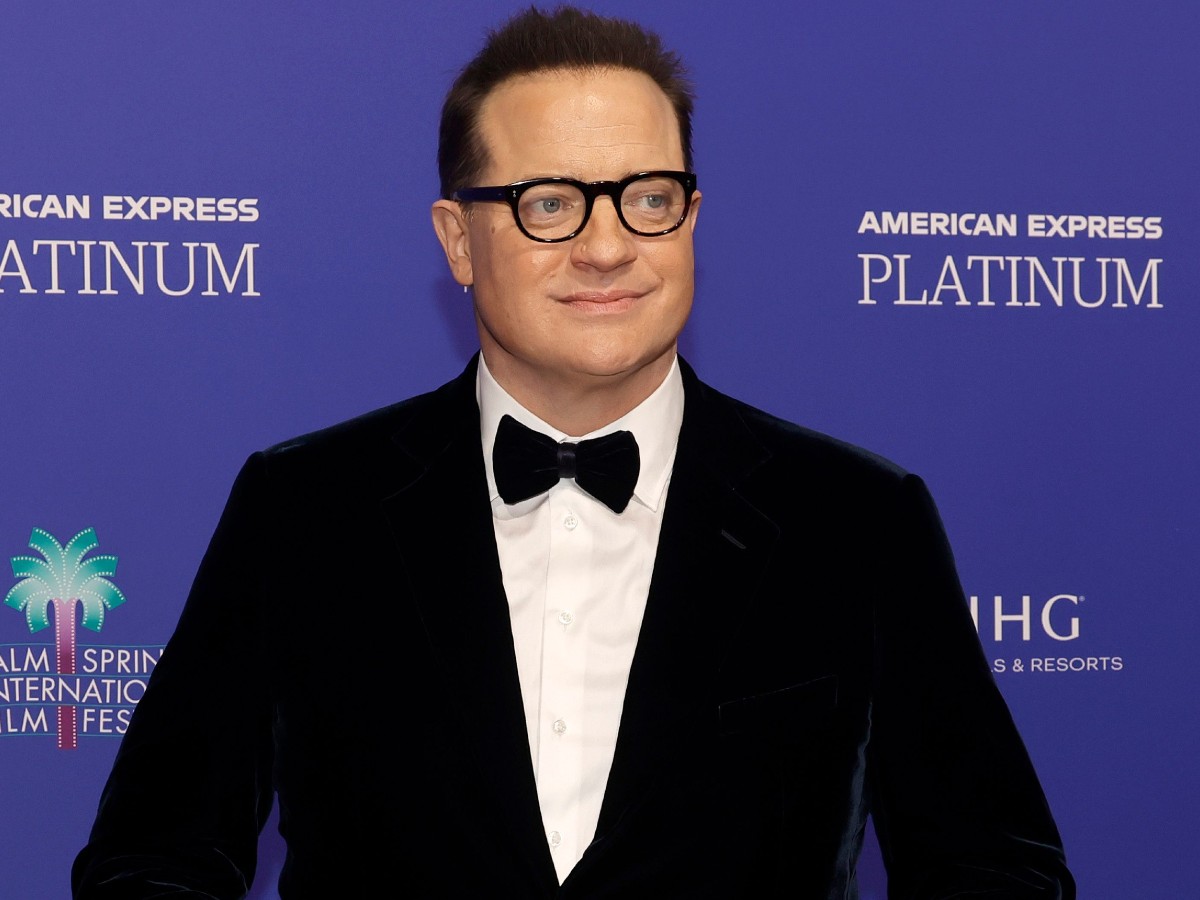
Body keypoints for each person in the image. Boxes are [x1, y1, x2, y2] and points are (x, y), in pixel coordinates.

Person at [73, 7, 1074, 898]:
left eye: (647, 196)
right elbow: (154, 856)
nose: (606, 247)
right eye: (550, 202)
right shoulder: (302, 508)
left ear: (690, 217)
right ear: (458, 241)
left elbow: (992, 865)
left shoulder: (856, 518)